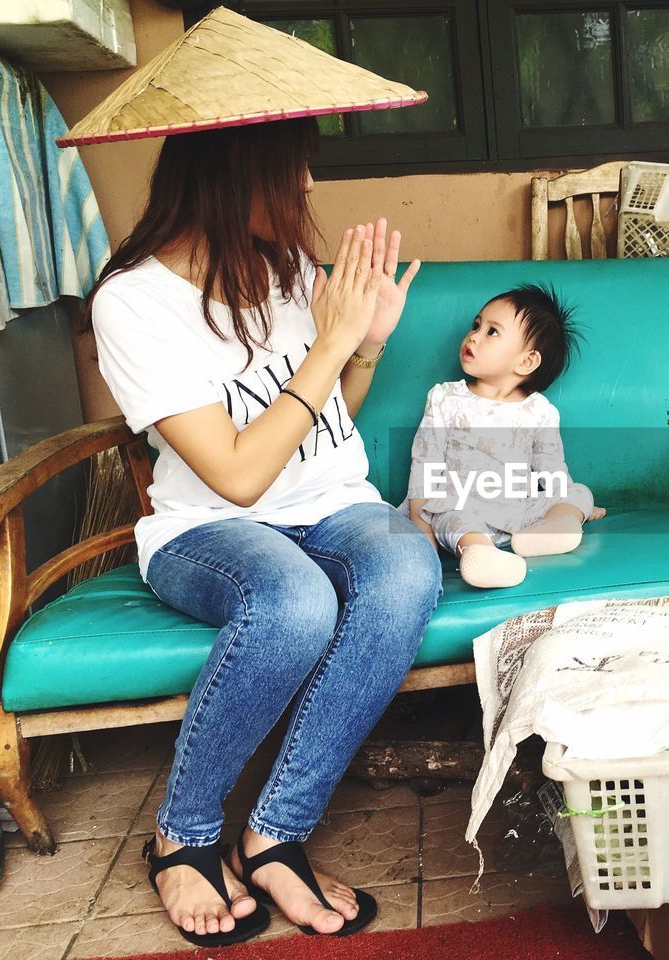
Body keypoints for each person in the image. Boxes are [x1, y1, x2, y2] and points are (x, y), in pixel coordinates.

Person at [86, 115, 441, 947]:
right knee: (292, 602)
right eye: (295, 170)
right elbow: (240, 473)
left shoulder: (282, 269)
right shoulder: (133, 302)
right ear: (231, 176)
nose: (309, 188)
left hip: (328, 503)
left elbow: (323, 427)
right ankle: (184, 832)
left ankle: (275, 832)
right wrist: (338, 337)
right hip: (208, 528)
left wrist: (365, 349)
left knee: (406, 568)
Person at [407, 284, 605, 589]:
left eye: (492, 332)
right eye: (476, 325)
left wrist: (571, 504)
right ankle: (480, 554)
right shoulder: (446, 398)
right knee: (451, 516)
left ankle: (559, 525)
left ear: (526, 361)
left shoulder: (539, 411)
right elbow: (425, 461)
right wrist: (420, 523)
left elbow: (552, 470)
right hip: (461, 503)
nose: (474, 335)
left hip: (518, 511)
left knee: (578, 491)